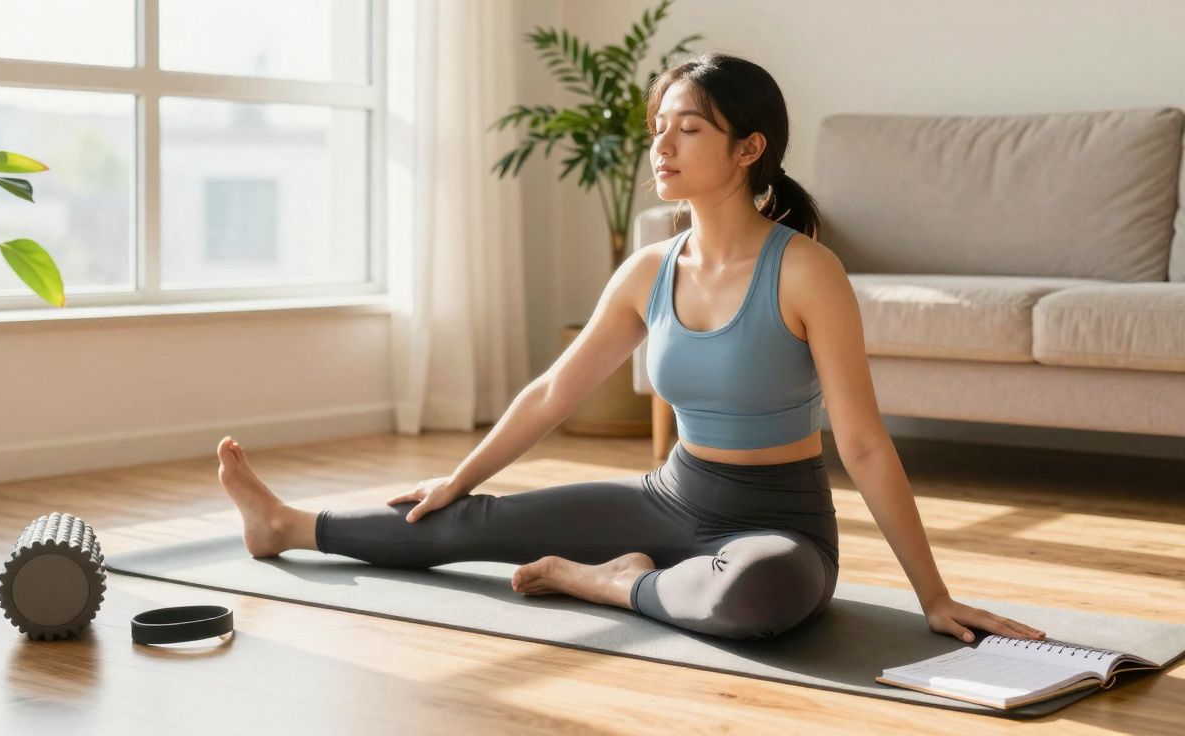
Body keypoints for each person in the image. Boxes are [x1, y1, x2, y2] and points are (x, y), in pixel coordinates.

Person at [215, 52, 1047, 644]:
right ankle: (286, 524)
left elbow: (862, 445)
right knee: (468, 522)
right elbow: (553, 393)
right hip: (667, 499)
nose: (662, 146)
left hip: (778, 526)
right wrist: (458, 478)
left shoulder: (805, 271)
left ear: (749, 148)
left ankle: (607, 581)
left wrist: (933, 596)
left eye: (689, 129)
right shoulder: (648, 270)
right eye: (660, 129)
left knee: (755, 598)